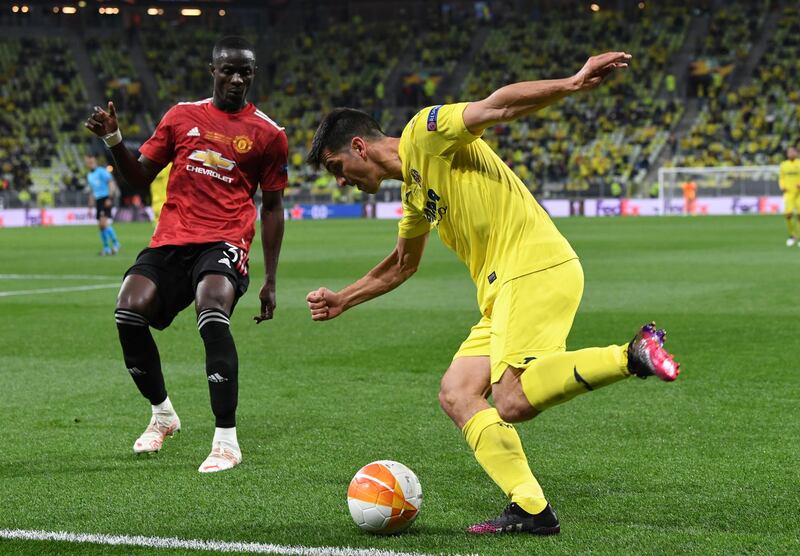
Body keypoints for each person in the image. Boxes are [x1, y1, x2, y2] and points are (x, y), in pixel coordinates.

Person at [305, 51, 680, 534]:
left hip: (534, 266)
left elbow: (496, 106)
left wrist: (571, 83)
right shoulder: (414, 192)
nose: (340, 181)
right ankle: (531, 509)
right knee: (458, 392)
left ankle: (632, 354)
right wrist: (343, 298)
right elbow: (402, 264)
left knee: (511, 400)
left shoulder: (425, 131)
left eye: (337, 167)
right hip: (501, 292)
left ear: (359, 146)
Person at [84, 36, 288, 473]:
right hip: (171, 241)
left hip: (225, 241)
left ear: (253, 76)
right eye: (228, 70)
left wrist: (270, 280)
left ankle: (226, 441)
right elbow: (138, 178)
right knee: (128, 310)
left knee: (211, 308)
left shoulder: (269, 135)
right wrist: (115, 139)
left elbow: (272, 208)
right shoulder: (181, 117)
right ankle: (162, 415)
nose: (236, 79)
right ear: (212, 70)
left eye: (245, 72)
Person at [85, 154, 120, 255]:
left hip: (105, 198)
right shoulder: (89, 175)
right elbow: (92, 191)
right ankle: (108, 247)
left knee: (103, 223)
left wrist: (109, 198)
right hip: (98, 200)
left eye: (91, 161)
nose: (90, 163)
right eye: (88, 162)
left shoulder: (101, 171)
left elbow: (111, 183)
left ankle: (114, 244)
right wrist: (90, 207)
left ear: (95, 161)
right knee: (101, 226)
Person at [778, 146, 800, 246]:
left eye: (792, 151)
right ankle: (792, 235)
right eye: (788, 152)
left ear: (796, 153)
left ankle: (799, 237)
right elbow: (781, 178)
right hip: (789, 194)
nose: (790, 153)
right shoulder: (783, 165)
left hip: (799, 194)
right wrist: (782, 186)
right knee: (788, 215)